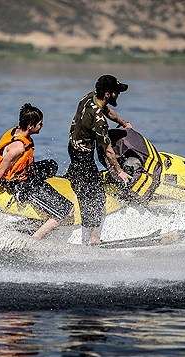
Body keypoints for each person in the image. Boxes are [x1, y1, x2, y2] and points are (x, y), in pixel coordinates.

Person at [0, 103, 73, 240]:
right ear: (31, 126)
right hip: (21, 185)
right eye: (40, 124)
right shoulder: (18, 148)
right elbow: (0, 171)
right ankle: (34, 240)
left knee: (51, 165)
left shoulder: (13, 131)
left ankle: (43, 193)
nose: (42, 126)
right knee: (65, 211)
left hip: (26, 173)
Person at [66, 74, 132, 245]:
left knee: (83, 181)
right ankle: (92, 239)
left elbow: (107, 111)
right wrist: (120, 172)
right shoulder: (98, 119)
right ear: (109, 94)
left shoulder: (90, 97)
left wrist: (123, 123)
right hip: (84, 158)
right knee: (97, 198)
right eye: (117, 91)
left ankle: (73, 176)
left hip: (72, 147)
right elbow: (108, 150)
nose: (118, 94)